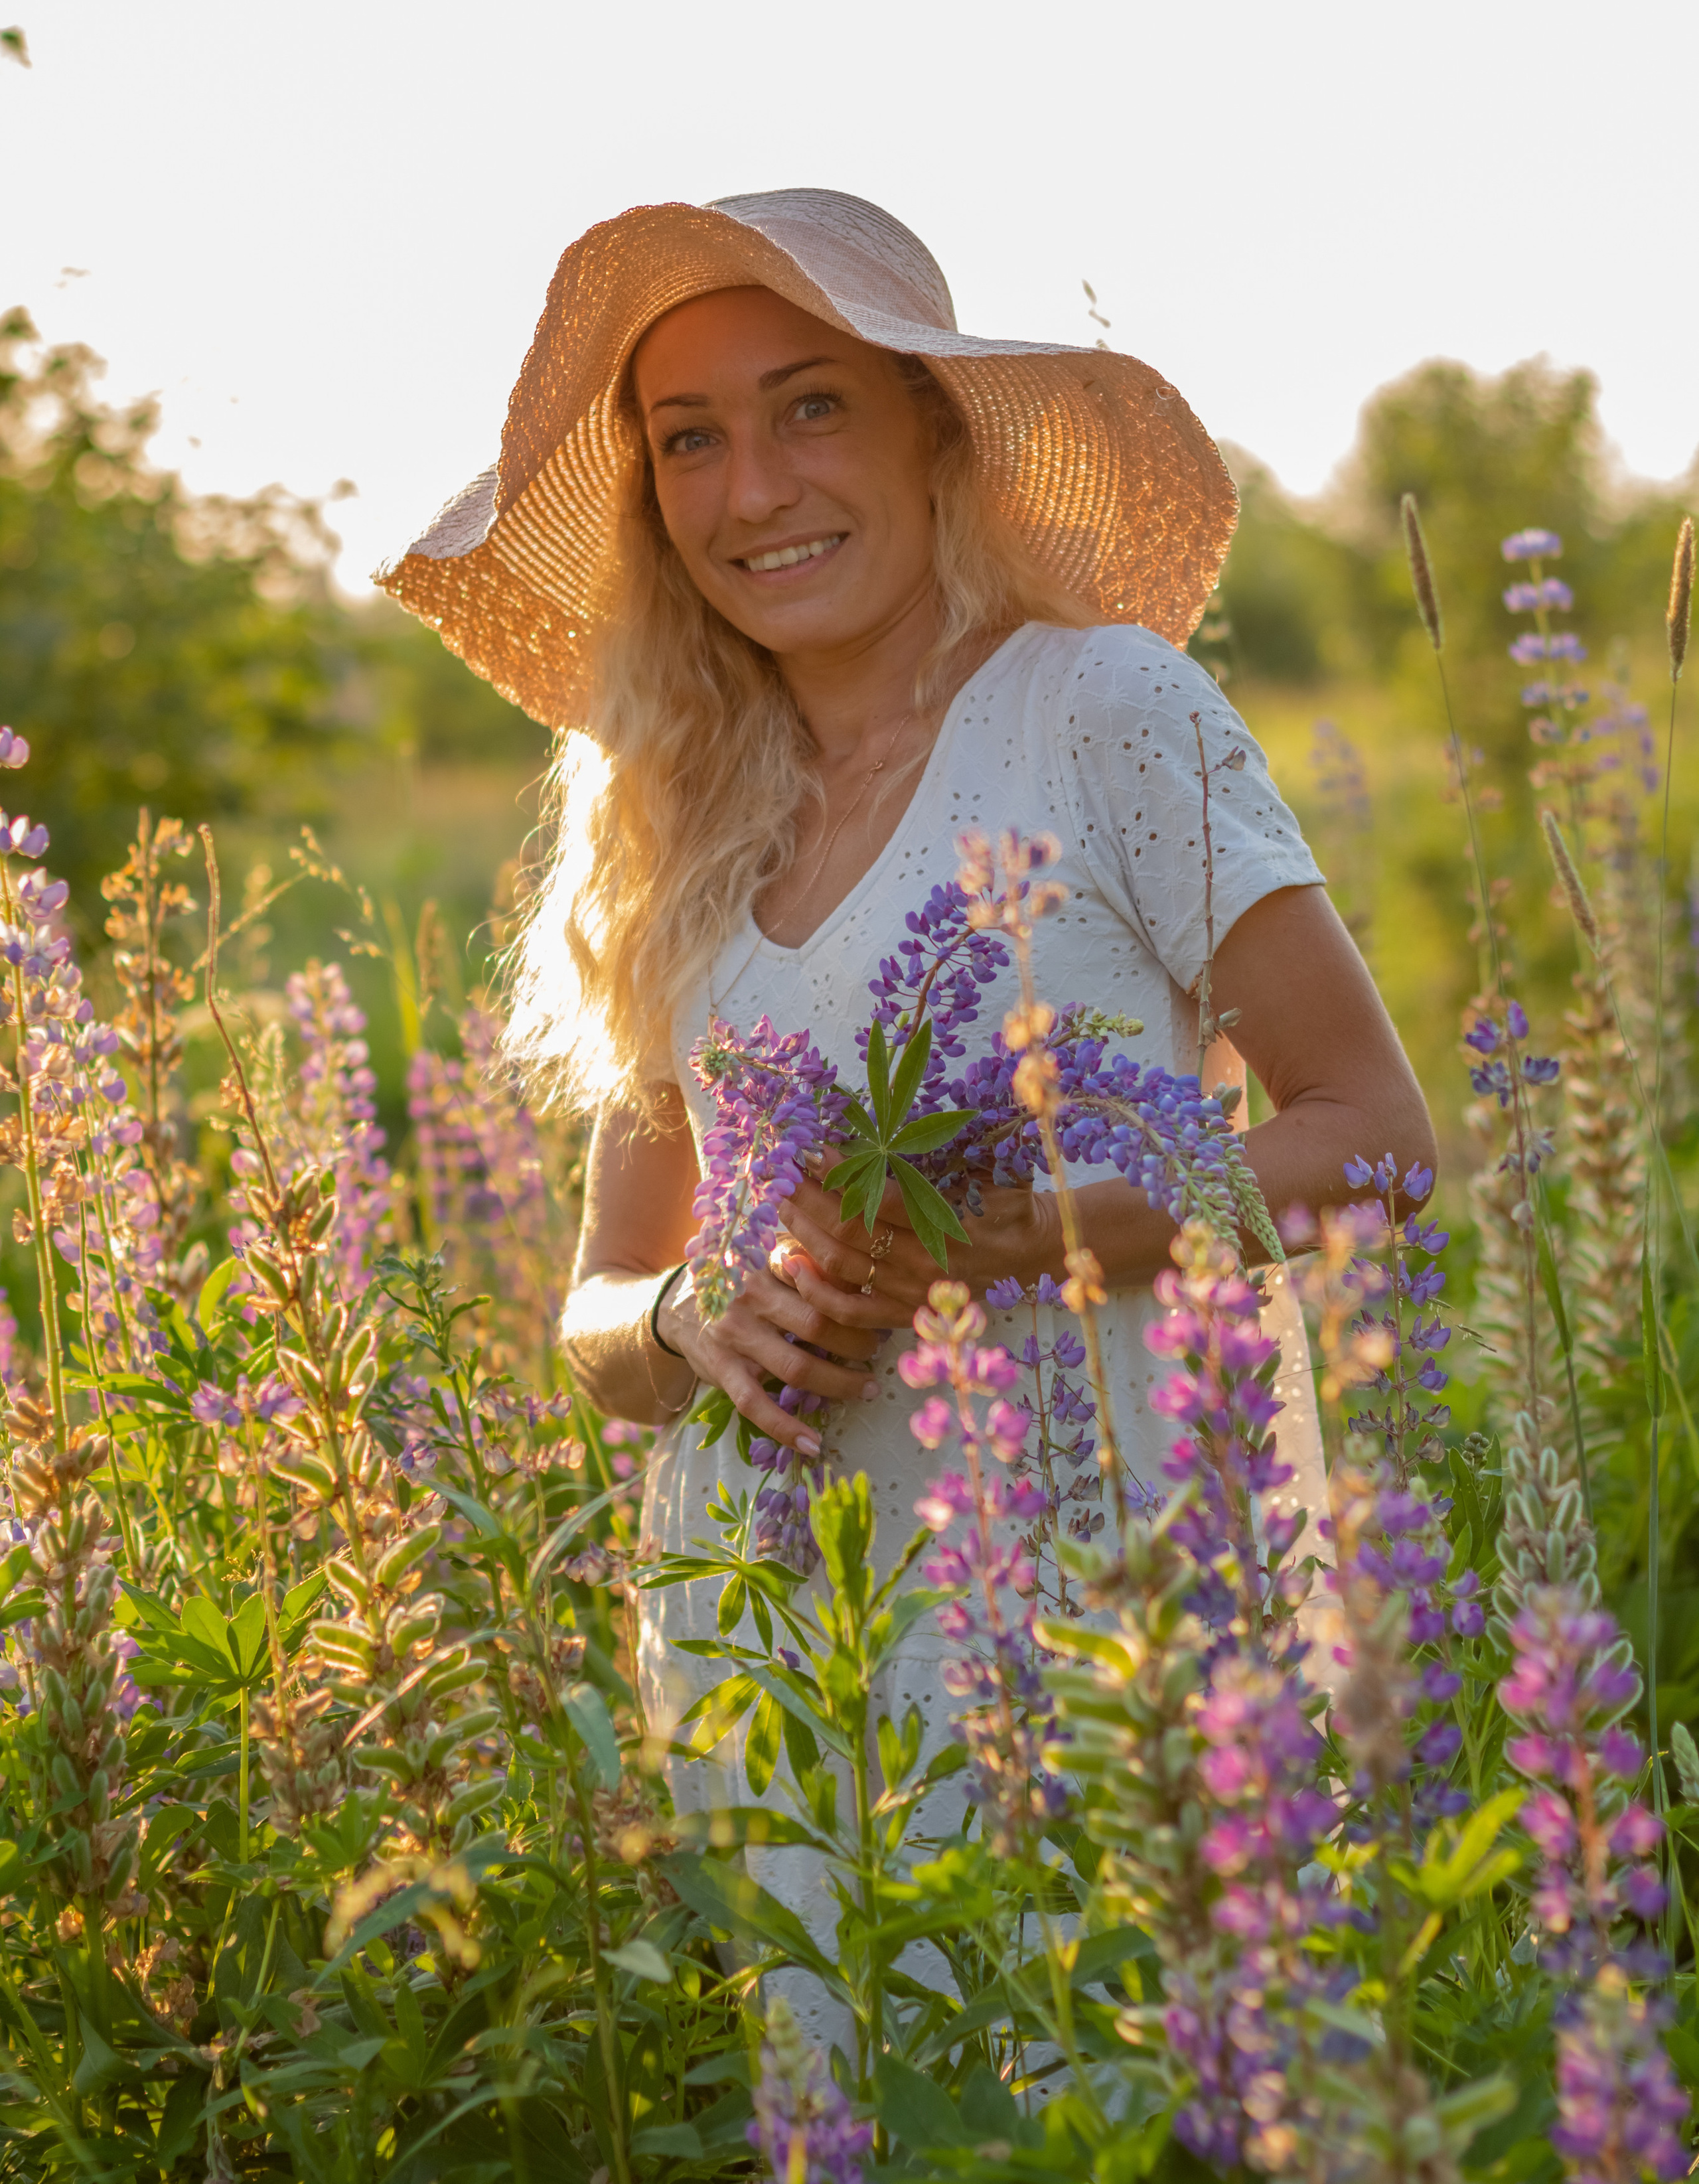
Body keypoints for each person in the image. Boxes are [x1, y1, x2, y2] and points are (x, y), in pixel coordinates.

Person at [378, 188, 1434, 2028]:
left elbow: (1377, 1136)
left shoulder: (1104, 708)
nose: (753, 490)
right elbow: (598, 1313)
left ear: (933, 431)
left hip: (1111, 1606)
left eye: (811, 407)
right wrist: (692, 1320)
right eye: (688, 440)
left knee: (1138, 2087)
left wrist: (1034, 1238)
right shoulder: (675, 806)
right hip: (779, 1653)